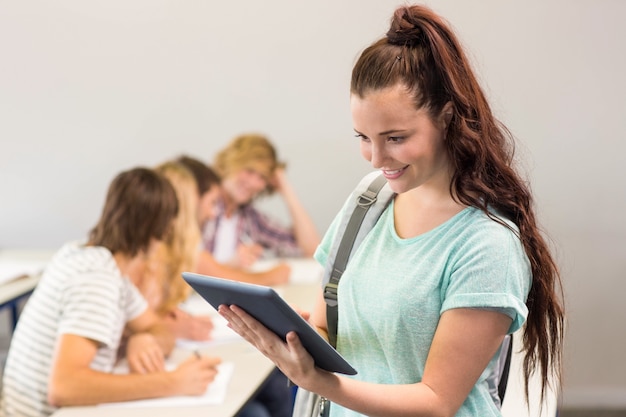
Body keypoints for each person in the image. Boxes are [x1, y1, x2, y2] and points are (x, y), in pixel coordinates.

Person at [218, 4, 565, 417]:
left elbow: (436, 402)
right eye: (363, 136)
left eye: (396, 137)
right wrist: (294, 340)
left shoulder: (487, 244)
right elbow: (327, 320)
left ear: (447, 117)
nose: (375, 157)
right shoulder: (370, 200)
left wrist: (318, 381)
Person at [0, 167, 221, 417]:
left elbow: (158, 328)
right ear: (160, 230)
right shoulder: (96, 278)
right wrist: (174, 382)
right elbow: (63, 388)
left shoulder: (91, 258)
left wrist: (143, 338)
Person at [175, 155, 294, 417]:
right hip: (189, 348)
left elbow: (306, 245)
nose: (213, 211)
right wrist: (269, 276)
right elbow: (206, 268)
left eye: (262, 178)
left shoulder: (246, 216)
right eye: (250, 170)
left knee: (276, 388)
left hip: (200, 335)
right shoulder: (177, 235)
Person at [204, 133, 320, 267]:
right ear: (232, 162)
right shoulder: (200, 200)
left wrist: (286, 189)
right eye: (249, 170)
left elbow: (312, 251)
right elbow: (189, 265)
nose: (253, 182)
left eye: (262, 177)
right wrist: (231, 265)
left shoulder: (251, 219)